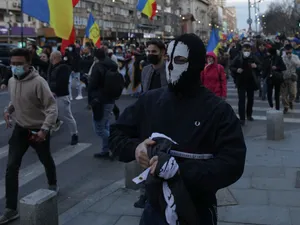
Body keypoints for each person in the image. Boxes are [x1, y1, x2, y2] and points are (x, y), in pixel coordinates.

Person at [109, 34, 246, 225]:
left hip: (197, 212)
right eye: (168, 59)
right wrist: (135, 148)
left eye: (180, 60)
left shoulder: (218, 110)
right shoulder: (150, 100)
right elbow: (116, 134)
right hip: (154, 210)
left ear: (197, 64)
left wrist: (182, 170)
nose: (171, 66)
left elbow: (233, 162)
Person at [0, 48, 58, 224]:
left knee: (45, 158)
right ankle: (11, 209)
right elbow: (15, 100)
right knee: (11, 167)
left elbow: (52, 107)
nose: (15, 67)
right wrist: (8, 110)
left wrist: (44, 129)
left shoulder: (39, 82)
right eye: (13, 63)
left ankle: (52, 184)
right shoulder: (11, 81)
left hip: (37, 129)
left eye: (19, 64)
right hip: (20, 129)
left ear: (28, 64)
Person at [88, 48, 119, 159]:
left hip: (99, 100)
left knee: (99, 128)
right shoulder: (112, 64)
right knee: (105, 124)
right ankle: (105, 150)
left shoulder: (98, 66)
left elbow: (93, 85)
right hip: (110, 99)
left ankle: (116, 145)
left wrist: (90, 101)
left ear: (95, 56)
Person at [48, 51, 79, 145]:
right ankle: (46, 134)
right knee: (48, 115)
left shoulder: (64, 67)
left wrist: (54, 91)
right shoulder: (52, 67)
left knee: (67, 116)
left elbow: (62, 81)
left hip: (61, 95)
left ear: (55, 57)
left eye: (51, 57)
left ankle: (74, 134)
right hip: (51, 95)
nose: (50, 58)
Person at [230, 42, 262, 126]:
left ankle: (249, 115)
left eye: (248, 50)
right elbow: (231, 66)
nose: (246, 52)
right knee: (241, 100)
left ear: (251, 50)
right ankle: (242, 118)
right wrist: (237, 70)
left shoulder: (253, 57)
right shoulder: (238, 57)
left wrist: (256, 66)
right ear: (242, 50)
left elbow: (260, 66)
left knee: (250, 100)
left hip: (251, 82)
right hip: (241, 82)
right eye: (245, 50)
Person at [281, 44, 300, 113]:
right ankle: (286, 106)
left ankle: (290, 101)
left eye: (290, 49)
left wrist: (291, 58)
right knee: (284, 95)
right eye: (287, 49)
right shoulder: (282, 57)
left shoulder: (295, 56)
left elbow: (298, 64)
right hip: (284, 77)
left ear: (292, 50)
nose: (288, 51)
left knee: (293, 93)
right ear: (285, 50)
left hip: (292, 77)